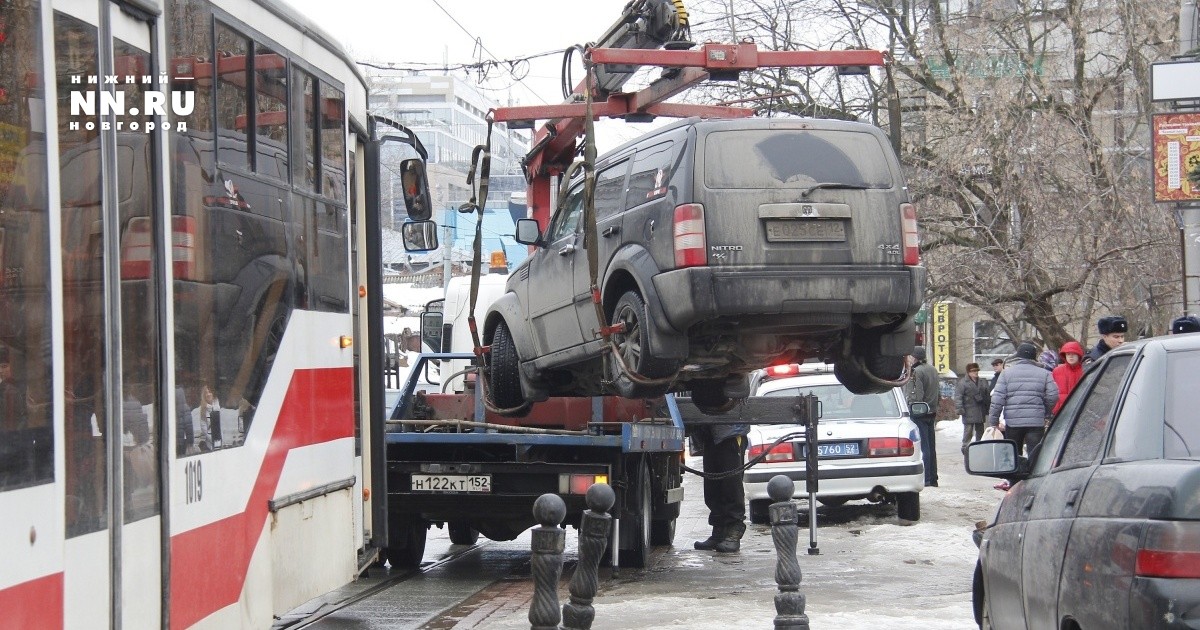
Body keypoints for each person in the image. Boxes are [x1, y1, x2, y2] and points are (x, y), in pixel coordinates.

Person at [987, 342, 1059, 457]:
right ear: (1034, 357)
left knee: (1014, 456)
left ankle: (1016, 473)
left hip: (1013, 422)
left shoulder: (1006, 374)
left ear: (1018, 356)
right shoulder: (1044, 373)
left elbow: (997, 399)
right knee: (1035, 456)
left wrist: (994, 421)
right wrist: (1046, 411)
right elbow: (1053, 395)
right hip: (1036, 422)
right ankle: (1033, 473)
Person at [692, 422, 749, 553]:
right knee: (712, 485)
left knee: (731, 485)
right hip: (711, 433)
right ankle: (719, 533)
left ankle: (734, 531)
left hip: (731, 433)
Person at [904, 347, 940, 487]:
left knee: (923, 448)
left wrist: (910, 407)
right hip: (931, 412)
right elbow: (938, 392)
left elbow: (916, 396)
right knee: (931, 447)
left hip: (920, 413)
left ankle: (927, 479)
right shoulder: (932, 369)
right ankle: (933, 477)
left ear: (914, 358)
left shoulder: (916, 372)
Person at [953, 363, 989, 454]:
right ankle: (965, 447)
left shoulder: (982, 381)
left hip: (980, 410)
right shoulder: (962, 383)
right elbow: (958, 396)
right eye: (973, 371)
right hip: (968, 410)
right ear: (968, 372)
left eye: (977, 370)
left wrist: (987, 407)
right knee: (968, 431)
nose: (976, 372)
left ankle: (979, 446)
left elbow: (987, 396)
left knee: (980, 430)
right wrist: (959, 409)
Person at [1050, 340, 1085, 415]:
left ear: (1079, 355)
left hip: (1080, 410)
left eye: (1073, 354)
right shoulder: (1057, 371)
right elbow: (1052, 391)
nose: (1071, 356)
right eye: (1068, 354)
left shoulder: (1086, 370)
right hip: (1060, 412)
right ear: (1064, 355)